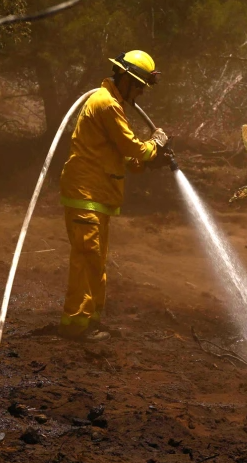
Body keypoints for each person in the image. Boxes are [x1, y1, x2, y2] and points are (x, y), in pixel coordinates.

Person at [57, 50, 168, 341]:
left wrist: (149, 161)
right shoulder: (106, 103)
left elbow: (123, 155)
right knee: (86, 260)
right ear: (127, 80)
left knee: (96, 260)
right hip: (86, 192)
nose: (141, 93)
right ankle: (75, 325)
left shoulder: (111, 103)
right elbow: (132, 147)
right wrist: (155, 145)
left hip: (98, 195)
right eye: (140, 86)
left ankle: (90, 320)